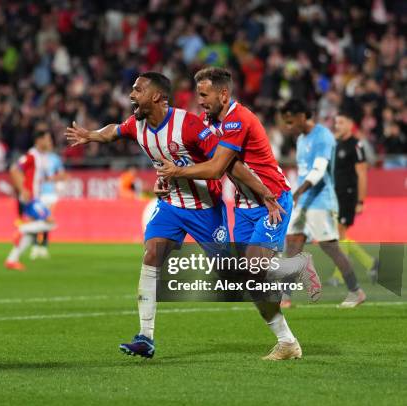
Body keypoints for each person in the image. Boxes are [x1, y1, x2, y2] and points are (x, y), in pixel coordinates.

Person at [65, 71, 285, 359]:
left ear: (156, 96)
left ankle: (285, 333)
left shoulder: (190, 125)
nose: (132, 95)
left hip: (205, 209)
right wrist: (91, 136)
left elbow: (227, 164)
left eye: (137, 90)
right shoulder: (137, 124)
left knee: (234, 277)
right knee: (151, 254)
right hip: (171, 205)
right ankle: (145, 337)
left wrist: (263, 191)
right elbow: (114, 131)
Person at [157, 67, 321, 360]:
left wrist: (177, 171)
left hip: (272, 201)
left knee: (255, 266)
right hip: (246, 206)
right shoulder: (211, 120)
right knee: (245, 278)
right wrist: (168, 180)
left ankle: (296, 267)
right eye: (198, 95)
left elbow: (218, 167)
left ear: (223, 93)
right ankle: (287, 343)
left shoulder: (238, 120)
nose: (200, 101)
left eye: (204, 95)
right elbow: (232, 167)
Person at [280, 100, 365, 308]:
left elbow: (318, 170)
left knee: (330, 247)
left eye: (291, 122)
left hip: (321, 201)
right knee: (293, 243)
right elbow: (303, 172)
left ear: (302, 116)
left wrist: (298, 192)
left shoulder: (323, 136)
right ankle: (285, 297)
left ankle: (356, 291)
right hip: (304, 200)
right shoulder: (301, 139)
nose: (288, 126)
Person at [331, 112, 378, 285]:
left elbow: (362, 174)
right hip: (336, 194)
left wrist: (360, 201)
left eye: (341, 122)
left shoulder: (356, 145)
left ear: (351, 124)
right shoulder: (336, 144)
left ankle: (339, 275)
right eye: (336, 123)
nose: (338, 126)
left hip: (349, 194)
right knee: (339, 233)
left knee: (340, 232)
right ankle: (371, 263)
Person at [5, 126, 55, 270]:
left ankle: (12, 260)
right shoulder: (31, 155)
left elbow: (39, 177)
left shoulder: (41, 157)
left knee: (33, 235)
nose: (50, 142)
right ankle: (21, 229)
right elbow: (14, 169)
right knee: (50, 222)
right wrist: (22, 189)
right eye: (47, 139)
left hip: (35, 197)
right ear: (39, 140)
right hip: (30, 198)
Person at [33, 135, 68, 260]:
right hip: (38, 193)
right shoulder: (36, 157)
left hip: (51, 194)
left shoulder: (55, 159)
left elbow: (63, 175)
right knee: (38, 220)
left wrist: (51, 179)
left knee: (47, 220)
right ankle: (36, 246)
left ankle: (43, 246)